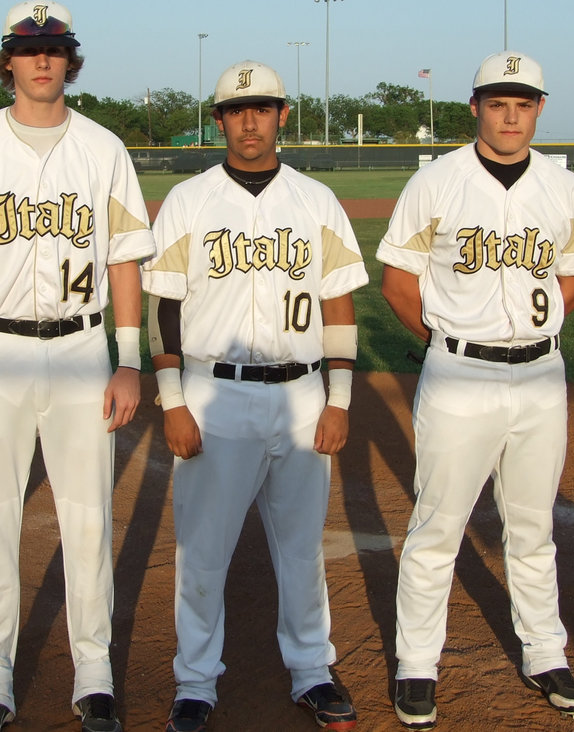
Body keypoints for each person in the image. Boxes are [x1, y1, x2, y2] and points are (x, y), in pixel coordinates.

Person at [0, 0, 154, 732]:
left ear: (70, 59)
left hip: (84, 350)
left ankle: (94, 671)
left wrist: (129, 360)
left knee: (86, 517)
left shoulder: (103, 148)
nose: (42, 58)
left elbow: (123, 261)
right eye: (29, 48)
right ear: (9, 61)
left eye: (55, 47)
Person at [143, 60, 367, 732]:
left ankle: (312, 671)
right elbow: (164, 308)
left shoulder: (314, 200)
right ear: (219, 121)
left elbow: (338, 302)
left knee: (301, 548)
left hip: (301, 393)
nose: (250, 120)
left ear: (282, 116)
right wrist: (171, 398)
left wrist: (341, 398)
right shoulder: (189, 199)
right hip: (216, 393)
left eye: (262, 108)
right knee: (203, 551)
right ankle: (195, 681)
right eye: (237, 110)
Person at [378, 52, 574, 729]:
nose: (511, 114)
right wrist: (449, 340)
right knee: (437, 524)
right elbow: (398, 283)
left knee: (532, 526)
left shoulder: (563, 188)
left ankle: (545, 651)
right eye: (498, 101)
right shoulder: (438, 182)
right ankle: (417, 664)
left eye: (524, 102)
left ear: (538, 108)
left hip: (540, 374)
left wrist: (534, 334)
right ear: (475, 106)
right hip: (459, 374)